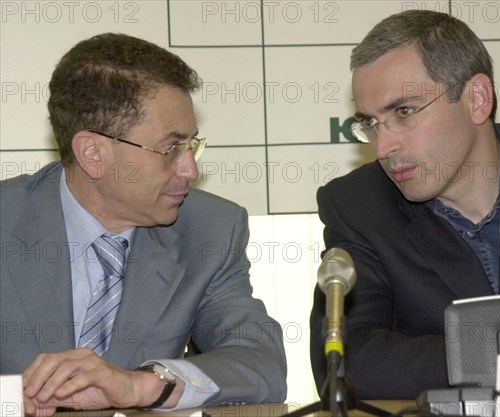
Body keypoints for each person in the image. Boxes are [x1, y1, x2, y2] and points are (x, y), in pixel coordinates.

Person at [310, 9, 500, 400]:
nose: (383, 147)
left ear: (477, 98)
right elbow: (347, 361)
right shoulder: (358, 206)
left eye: (404, 111)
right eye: (371, 123)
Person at [0, 33, 286, 416]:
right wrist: (11, 399)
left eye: (192, 146)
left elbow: (261, 363)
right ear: (92, 153)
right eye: (170, 149)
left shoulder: (210, 229)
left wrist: (145, 384)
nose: (191, 170)